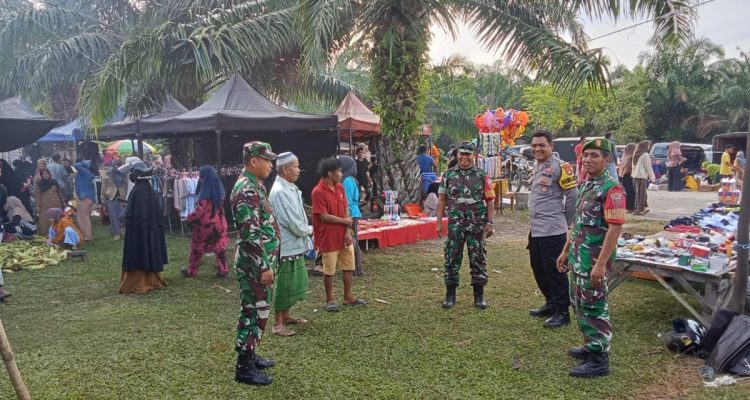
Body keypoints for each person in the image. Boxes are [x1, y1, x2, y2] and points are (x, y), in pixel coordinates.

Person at [556, 138, 625, 378]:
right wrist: (566, 250)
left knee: (595, 307)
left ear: (607, 160)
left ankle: (599, 359)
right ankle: (590, 345)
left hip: (594, 260)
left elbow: (615, 229)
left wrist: (601, 264)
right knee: (580, 304)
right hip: (579, 257)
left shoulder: (612, 188)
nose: (588, 160)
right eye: (586, 156)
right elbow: (577, 225)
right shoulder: (586, 185)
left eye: (594, 155)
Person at [230, 142, 280, 386]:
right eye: (267, 160)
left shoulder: (254, 185)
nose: (271, 165)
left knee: (257, 309)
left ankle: (250, 352)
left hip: (259, 261)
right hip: (255, 264)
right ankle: (245, 367)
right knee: (254, 310)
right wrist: (263, 266)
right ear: (253, 161)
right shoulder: (247, 190)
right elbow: (251, 234)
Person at [527, 131, 578, 329]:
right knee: (538, 268)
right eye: (534, 146)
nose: (537, 149)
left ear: (551, 147)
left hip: (553, 229)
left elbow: (572, 196)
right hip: (536, 229)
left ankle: (562, 312)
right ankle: (550, 303)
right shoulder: (537, 166)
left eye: (542, 145)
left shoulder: (561, 167)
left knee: (555, 271)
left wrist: (567, 221)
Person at [436, 141, 495, 310]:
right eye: (461, 154)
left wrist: (490, 222)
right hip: (455, 225)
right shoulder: (448, 175)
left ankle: (479, 296)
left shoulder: (482, 175)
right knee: (452, 257)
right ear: (457, 155)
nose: (464, 157)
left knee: (478, 258)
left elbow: (490, 201)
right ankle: (450, 295)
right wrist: (439, 222)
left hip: (477, 225)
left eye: (468, 154)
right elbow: (442, 200)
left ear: (474, 156)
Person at [312, 157, 366, 313]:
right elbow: (323, 216)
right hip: (328, 237)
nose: (341, 173)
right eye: (339, 171)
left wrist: (348, 230)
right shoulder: (318, 191)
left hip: (344, 235)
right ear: (330, 173)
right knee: (329, 270)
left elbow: (345, 208)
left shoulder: (340, 188)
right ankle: (330, 299)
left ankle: (348, 297)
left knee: (348, 266)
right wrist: (345, 221)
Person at [269, 152, 313, 337]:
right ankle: (278, 323)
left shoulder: (289, 187)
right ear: (286, 169)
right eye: (295, 166)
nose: (298, 170)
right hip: (286, 244)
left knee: (295, 280)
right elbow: (291, 221)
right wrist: (309, 230)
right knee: (285, 283)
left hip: (294, 243)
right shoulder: (279, 191)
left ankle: (286, 315)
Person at [118, 161, 168, 295]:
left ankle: (140, 280)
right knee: (148, 246)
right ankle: (151, 278)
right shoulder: (147, 189)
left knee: (141, 248)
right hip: (145, 231)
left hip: (139, 232)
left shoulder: (139, 191)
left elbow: (137, 216)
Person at [180, 165, 229, 278]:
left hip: (206, 227)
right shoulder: (220, 192)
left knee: (196, 249)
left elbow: (199, 213)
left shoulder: (204, 195)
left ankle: (191, 271)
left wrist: (188, 218)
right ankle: (223, 270)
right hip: (220, 224)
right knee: (219, 248)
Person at [341, 156, 364, 276]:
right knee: (353, 239)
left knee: (352, 239)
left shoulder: (347, 181)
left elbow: (348, 201)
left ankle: (356, 267)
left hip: (351, 214)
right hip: (353, 212)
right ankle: (355, 267)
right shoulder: (350, 179)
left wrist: (347, 218)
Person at [101, 159, 129, 240]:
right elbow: (103, 186)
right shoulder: (107, 174)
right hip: (111, 196)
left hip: (122, 197)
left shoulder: (124, 174)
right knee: (113, 216)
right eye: (114, 165)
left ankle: (122, 228)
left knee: (123, 214)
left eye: (118, 165)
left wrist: (126, 196)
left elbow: (127, 185)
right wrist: (102, 197)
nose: (116, 166)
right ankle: (116, 233)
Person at [34, 168, 65, 237]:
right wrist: (38, 207)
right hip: (45, 207)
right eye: (43, 174)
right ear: (41, 175)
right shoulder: (39, 185)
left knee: (59, 221)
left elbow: (59, 193)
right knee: (45, 224)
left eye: (47, 173)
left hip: (57, 205)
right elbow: (37, 197)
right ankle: (47, 238)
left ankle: (60, 237)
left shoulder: (54, 182)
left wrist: (63, 203)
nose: (46, 175)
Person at [73, 160, 96, 241]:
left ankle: (88, 236)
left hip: (85, 196)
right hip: (85, 196)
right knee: (81, 216)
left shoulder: (85, 171)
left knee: (84, 217)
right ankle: (84, 234)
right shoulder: (85, 173)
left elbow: (76, 165)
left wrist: (85, 162)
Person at [632, 140, 655, 215]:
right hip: (641, 176)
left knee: (639, 194)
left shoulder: (637, 154)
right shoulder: (645, 155)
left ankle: (640, 209)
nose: (649, 146)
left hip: (635, 176)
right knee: (641, 194)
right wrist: (652, 177)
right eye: (648, 145)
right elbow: (648, 167)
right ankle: (639, 210)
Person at [618, 143, 637, 212]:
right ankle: (628, 207)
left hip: (629, 176)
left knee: (630, 192)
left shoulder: (630, 157)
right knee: (627, 192)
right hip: (627, 176)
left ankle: (630, 207)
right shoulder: (629, 156)